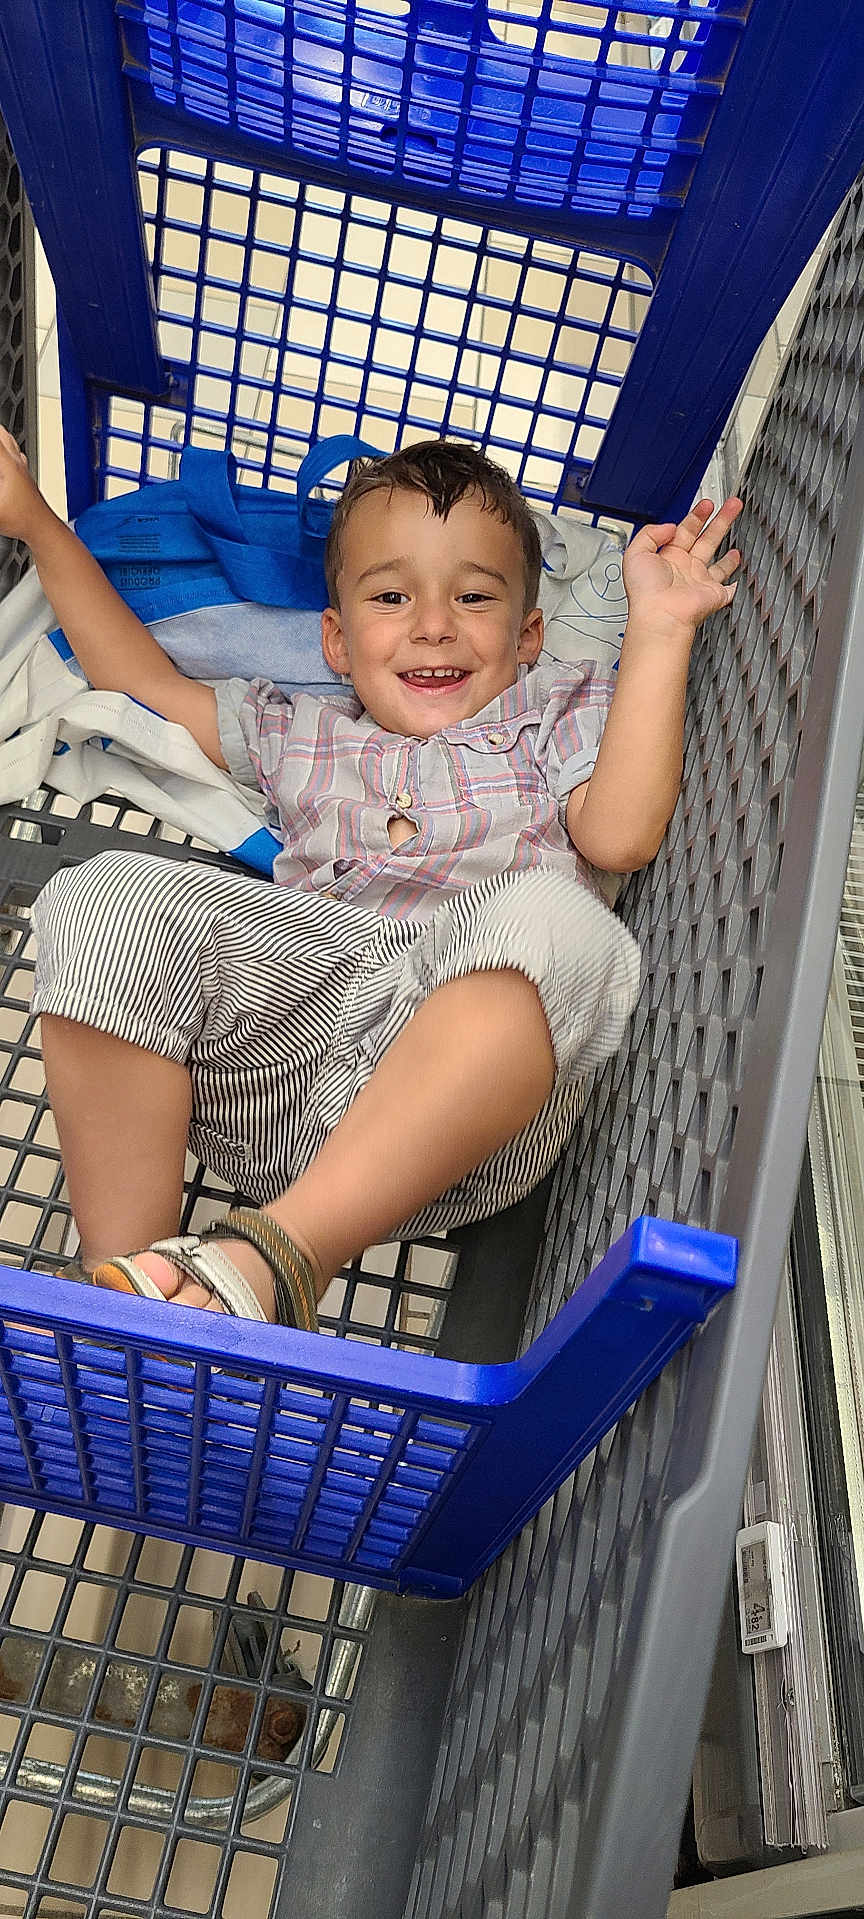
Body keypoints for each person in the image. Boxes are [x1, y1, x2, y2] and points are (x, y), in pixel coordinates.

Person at [0, 430, 741, 1331]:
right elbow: (139, 683)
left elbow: (621, 834)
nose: (434, 623)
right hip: (279, 1071)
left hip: (462, 1114)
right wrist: (34, 522)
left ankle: (281, 1255)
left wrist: (661, 628)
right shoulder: (301, 732)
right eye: (392, 596)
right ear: (338, 640)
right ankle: (132, 1305)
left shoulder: (557, 709)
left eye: (474, 596)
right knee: (103, 897)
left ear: (530, 635)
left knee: (560, 922)